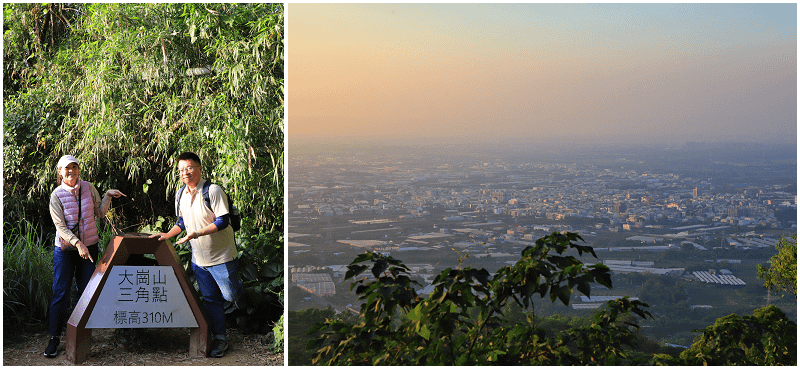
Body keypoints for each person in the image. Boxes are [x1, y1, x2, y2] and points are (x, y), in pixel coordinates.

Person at [150, 151, 243, 358]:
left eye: (189, 168)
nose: (186, 173)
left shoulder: (213, 191)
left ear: (200, 168)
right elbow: (181, 223)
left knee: (231, 295)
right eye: (181, 170)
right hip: (199, 260)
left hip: (222, 257)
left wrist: (197, 233)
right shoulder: (181, 194)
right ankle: (220, 338)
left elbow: (222, 221)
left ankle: (239, 287)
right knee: (211, 299)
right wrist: (167, 234)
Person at [45, 155, 126, 358]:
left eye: (74, 167)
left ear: (79, 169)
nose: (71, 171)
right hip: (66, 251)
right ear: (60, 172)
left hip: (89, 247)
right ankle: (54, 338)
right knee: (60, 293)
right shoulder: (56, 195)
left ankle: (79, 333)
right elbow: (60, 227)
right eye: (67, 168)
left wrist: (107, 196)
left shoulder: (89, 188)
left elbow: (99, 213)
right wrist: (77, 243)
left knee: (85, 292)